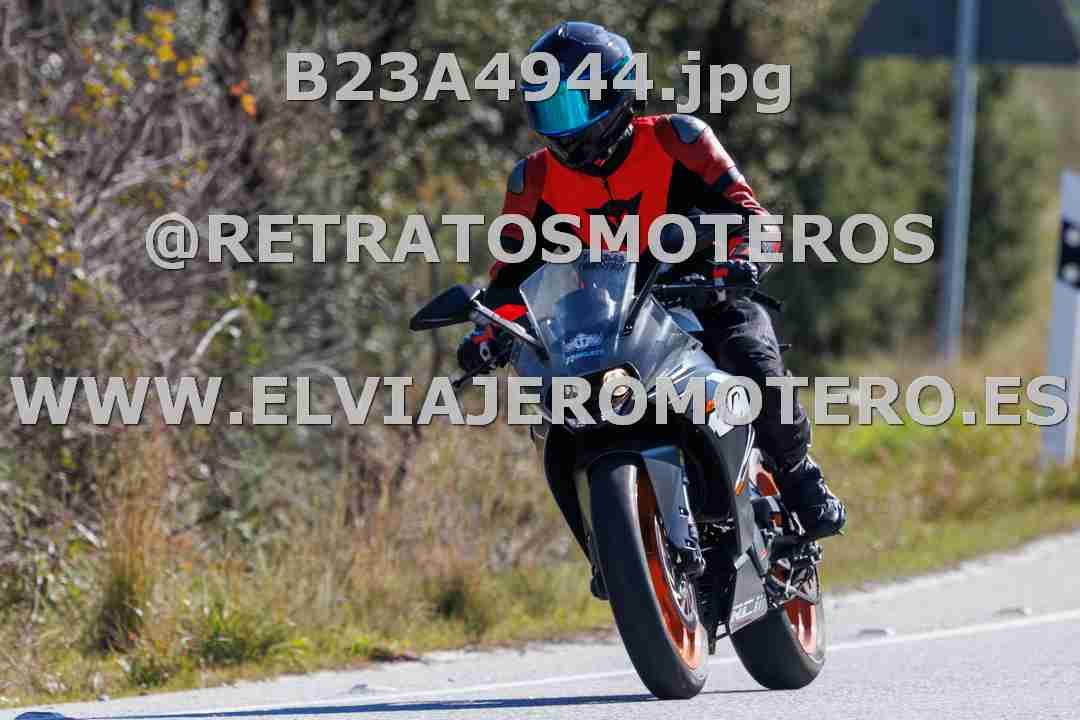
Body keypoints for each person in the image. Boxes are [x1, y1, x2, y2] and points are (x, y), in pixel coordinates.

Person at [457, 22, 845, 551]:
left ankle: (799, 476)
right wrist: (489, 332)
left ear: (616, 93)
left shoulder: (678, 138)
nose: (562, 127)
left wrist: (741, 263)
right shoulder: (533, 180)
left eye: (571, 106)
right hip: (600, 322)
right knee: (558, 415)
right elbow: (510, 279)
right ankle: (609, 552)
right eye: (548, 110)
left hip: (704, 294)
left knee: (751, 358)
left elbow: (755, 220)